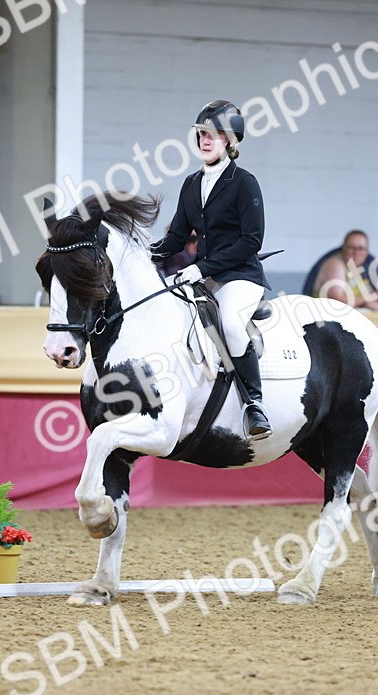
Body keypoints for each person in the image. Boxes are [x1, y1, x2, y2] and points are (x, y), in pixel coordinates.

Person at [151, 100, 272, 441]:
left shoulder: (244, 183)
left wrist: (201, 267)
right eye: (203, 134)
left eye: (215, 135)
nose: (206, 140)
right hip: (205, 278)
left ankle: (254, 404)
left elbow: (252, 240)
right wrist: (145, 255)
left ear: (231, 141)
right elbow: (176, 237)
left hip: (240, 277)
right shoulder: (192, 183)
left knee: (231, 323)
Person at [305, 230, 378, 310]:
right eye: (351, 248)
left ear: (366, 251)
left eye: (360, 248)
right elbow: (337, 301)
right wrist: (369, 298)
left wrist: (377, 305)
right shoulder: (335, 264)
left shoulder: (370, 268)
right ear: (343, 248)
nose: (356, 253)